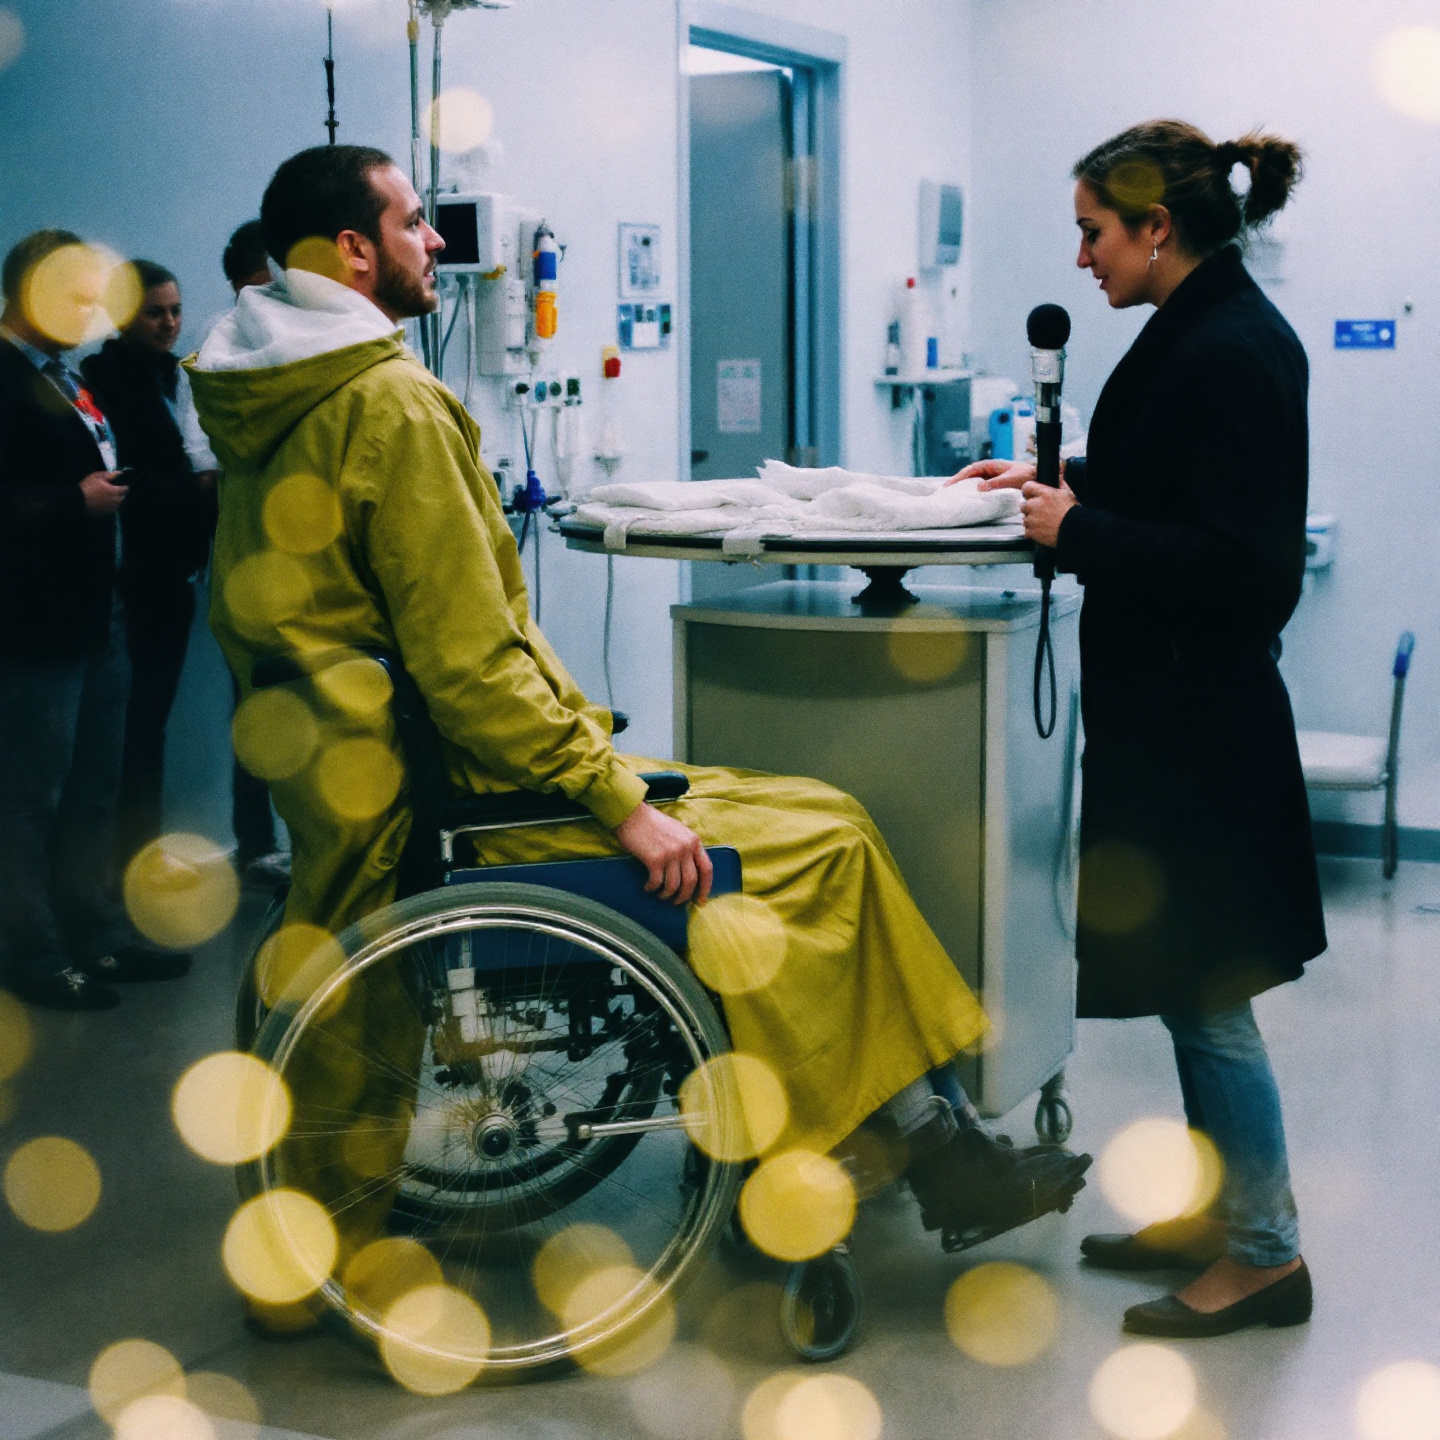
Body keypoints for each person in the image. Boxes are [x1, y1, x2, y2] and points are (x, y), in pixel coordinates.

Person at [187, 145, 1090, 1280]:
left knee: (826, 817)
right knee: (823, 844)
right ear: (355, 251)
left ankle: (918, 1139)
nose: (439, 242)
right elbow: (472, 670)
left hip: (377, 780)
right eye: (416, 222)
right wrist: (620, 802)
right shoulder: (389, 405)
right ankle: (901, 1150)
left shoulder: (268, 399)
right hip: (462, 797)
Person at [957, 120, 1324, 1337]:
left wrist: (1080, 532)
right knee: (1185, 986)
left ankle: (1265, 1256)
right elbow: (1178, 487)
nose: (1082, 259)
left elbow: (1242, 567)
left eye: (1093, 233)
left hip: (1201, 732)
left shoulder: (1226, 349)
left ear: (1156, 227)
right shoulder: (1202, 330)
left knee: (1210, 998)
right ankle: (1223, 1217)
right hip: (1175, 717)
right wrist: (1056, 490)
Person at [0, 231, 189, 1010]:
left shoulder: (66, 377)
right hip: (33, 627)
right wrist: (70, 502)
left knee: (94, 791)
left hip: (97, 613)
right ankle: (35, 956)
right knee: (30, 801)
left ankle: (99, 935)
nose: (88, 311)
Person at [81, 261, 216, 869]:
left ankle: (139, 861)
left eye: (176, 310)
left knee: (148, 727)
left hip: (170, 575)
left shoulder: (176, 374)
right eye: (154, 312)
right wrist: (199, 488)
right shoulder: (102, 380)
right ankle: (125, 867)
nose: (169, 323)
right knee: (127, 734)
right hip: (133, 578)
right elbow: (127, 481)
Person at [187, 220, 290, 887]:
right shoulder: (221, 345)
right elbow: (204, 461)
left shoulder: (307, 339)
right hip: (253, 558)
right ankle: (256, 844)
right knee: (256, 706)